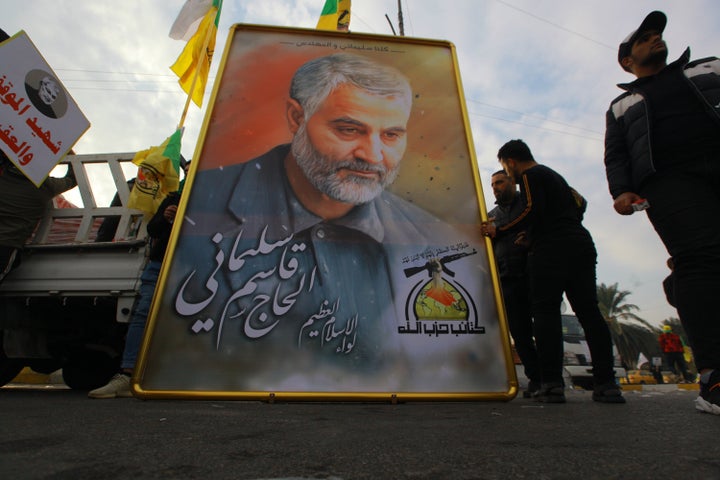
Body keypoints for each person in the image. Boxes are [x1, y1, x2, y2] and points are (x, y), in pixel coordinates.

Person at [147, 53, 489, 391]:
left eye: (391, 136)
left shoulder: (431, 241)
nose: (371, 156)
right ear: (296, 117)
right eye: (349, 129)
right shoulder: (204, 203)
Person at [604, 10, 720, 415]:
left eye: (658, 35)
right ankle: (713, 376)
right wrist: (621, 191)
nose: (655, 39)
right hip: (669, 183)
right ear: (627, 60)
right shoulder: (621, 105)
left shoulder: (709, 67)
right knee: (698, 262)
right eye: (645, 38)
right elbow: (616, 155)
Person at [482, 139, 625, 404]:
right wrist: (533, 234)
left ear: (510, 162)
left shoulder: (529, 176)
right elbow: (577, 205)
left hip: (551, 251)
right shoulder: (555, 177)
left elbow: (530, 210)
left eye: (505, 169)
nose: (507, 173)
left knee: (545, 313)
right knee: (589, 312)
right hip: (579, 244)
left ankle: (551, 383)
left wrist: (501, 230)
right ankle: (607, 384)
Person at [88, 163, 189, 399]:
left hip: (191, 267)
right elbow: (153, 230)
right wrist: (165, 217)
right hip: (161, 264)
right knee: (143, 314)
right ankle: (127, 374)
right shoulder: (174, 197)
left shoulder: (215, 200)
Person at [487, 170, 540, 398]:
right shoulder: (491, 215)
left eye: (499, 182)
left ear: (512, 182)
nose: (495, 187)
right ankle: (536, 378)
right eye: (492, 185)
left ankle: (550, 377)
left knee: (544, 327)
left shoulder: (530, 205)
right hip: (507, 277)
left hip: (533, 274)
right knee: (519, 332)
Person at [0, 153, 76, 285]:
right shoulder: (46, 186)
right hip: (6, 247)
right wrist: (70, 154)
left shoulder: (3, 176)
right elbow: (73, 178)